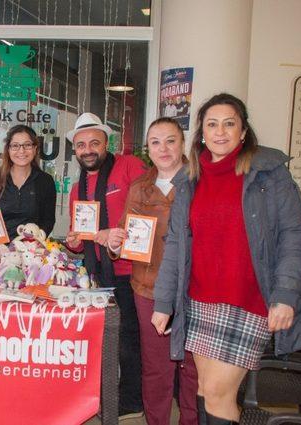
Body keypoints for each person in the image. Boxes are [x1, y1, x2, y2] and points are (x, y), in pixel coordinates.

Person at [151, 93, 301, 424]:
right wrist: (164, 302)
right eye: (212, 124)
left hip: (249, 300)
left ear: (243, 131)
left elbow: (294, 236)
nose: (220, 132)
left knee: (219, 392)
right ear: (201, 132)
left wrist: (285, 296)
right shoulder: (190, 180)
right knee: (204, 388)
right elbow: (176, 244)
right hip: (200, 300)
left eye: (229, 124)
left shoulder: (269, 173)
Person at [107, 118, 198, 425]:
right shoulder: (139, 187)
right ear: (148, 148)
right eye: (156, 142)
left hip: (194, 289)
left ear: (182, 143)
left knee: (191, 368)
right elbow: (124, 233)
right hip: (147, 287)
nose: (164, 148)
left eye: (170, 140)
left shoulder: (201, 183)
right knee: (156, 366)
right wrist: (115, 244)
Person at [64, 112, 146, 418]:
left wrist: (118, 234)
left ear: (106, 143)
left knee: (128, 339)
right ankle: (104, 395)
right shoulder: (77, 189)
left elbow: (148, 210)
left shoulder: (129, 167)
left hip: (130, 272)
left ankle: (132, 402)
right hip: (96, 276)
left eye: (94, 143)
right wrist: (73, 240)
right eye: (81, 145)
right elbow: (78, 241)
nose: (88, 150)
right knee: (100, 339)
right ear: (75, 150)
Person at [0, 124, 56, 268]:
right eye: (15, 145)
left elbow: (48, 220)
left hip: (29, 258)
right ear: (8, 150)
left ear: (35, 148)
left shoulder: (45, 181)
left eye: (27, 145)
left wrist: (34, 241)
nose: (21, 151)